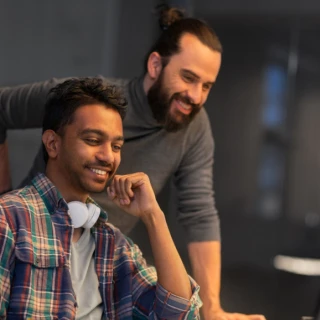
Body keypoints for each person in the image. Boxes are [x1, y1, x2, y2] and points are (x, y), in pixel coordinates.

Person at [0, 6, 265, 320]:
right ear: (156, 65)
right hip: (36, 235)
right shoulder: (79, 100)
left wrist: (213, 308)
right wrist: (4, 198)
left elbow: (199, 214)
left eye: (206, 86)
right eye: (188, 77)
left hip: (100, 254)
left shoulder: (116, 248)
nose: (196, 96)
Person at [0, 78, 202, 319]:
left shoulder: (114, 244)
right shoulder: (8, 220)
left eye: (116, 146)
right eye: (93, 141)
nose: (108, 157)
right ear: (53, 144)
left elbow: (178, 314)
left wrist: (153, 216)